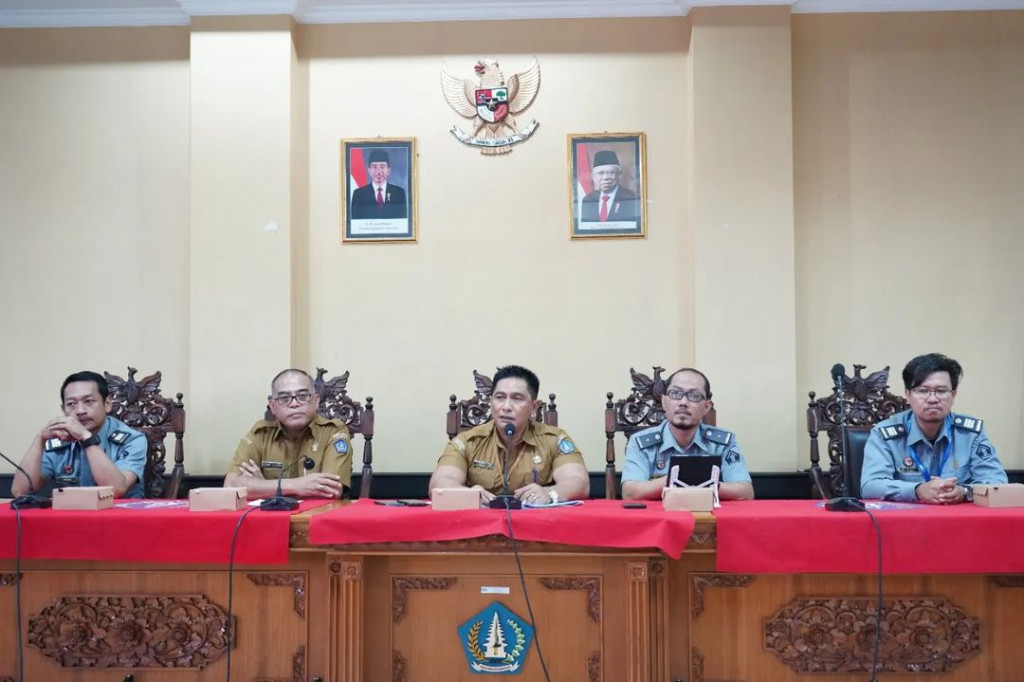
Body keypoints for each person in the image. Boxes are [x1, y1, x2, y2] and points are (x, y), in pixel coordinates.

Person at [429, 365, 590, 505]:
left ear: (534, 407)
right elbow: (439, 484)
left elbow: (579, 482)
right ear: (491, 402)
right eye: (500, 397)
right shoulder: (467, 442)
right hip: (480, 532)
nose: (506, 407)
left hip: (537, 528)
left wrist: (549, 493)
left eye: (517, 398)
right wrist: (467, 495)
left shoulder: (553, 440)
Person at [860, 353, 1006, 504]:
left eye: (941, 391)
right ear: (908, 395)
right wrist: (917, 490)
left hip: (959, 520)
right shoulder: (884, 433)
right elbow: (870, 485)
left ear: (953, 395)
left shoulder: (971, 434)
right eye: (922, 391)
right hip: (907, 522)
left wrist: (964, 492)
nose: (932, 399)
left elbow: (997, 482)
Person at [620, 368, 754, 501]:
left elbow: (745, 492)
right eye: (675, 393)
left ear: (707, 407)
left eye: (695, 396)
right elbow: (630, 493)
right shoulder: (640, 442)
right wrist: (686, 479)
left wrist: (696, 481)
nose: (683, 402)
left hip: (709, 519)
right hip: (661, 519)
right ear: (664, 402)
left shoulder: (723, 442)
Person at [12, 371, 148, 499]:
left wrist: (85, 437)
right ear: (63, 409)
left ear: (107, 404)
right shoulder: (57, 439)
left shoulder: (133, 439)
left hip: (121, 519)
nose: (80, 411)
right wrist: (40, 438)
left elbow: (116, 490)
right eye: (71, 404)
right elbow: (20, 492)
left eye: (88, 401)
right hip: (71, 519)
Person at [225, 369, 352, 499]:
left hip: (315, 517)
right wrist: (296, 486)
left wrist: (263, 487)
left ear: (316, 401)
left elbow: (331, 492)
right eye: (285, 398)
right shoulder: (260, 434)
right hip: (269, 519)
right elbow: (231, 487)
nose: (294, 403)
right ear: (273, 406)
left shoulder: (333, 431)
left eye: (303, 396)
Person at [580, 150, 639, 223]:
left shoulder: (631, 198)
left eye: (611, 172)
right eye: (600, 173)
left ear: (619, 175)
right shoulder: (588, 200)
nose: (605, 177)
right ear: (593, 176)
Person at [350, 149, 408, 220]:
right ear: (369, 170)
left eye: (382, 167)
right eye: (374, 167)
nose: (378, 172)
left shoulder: (399, 193)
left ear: (388, 170)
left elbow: (402, 220)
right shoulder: (359, 194)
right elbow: (355, 222)